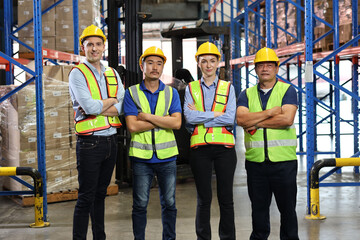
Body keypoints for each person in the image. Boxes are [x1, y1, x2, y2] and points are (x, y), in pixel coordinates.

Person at [236, 47, 299, 240]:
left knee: (287, 210)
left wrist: (255, 121)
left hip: (284, 163)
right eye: (261, 65)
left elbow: (287, 119)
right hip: (256, 164)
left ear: (276, 68)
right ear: (255, 69)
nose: (265, 69)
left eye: (269, 65)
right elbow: (241, 120)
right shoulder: (246, 94)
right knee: (259, 210)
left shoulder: (287, 90)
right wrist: (271, 113)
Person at [69, 24, 125, 240]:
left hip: (111, 141)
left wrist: (103, 105)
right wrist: (111, 102)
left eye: (98, 44)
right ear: (83, 47)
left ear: (104, 46)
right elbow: (90, 108)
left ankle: (99, 237)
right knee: (86, 197)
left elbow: (123, 105)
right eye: (89, 44)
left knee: (100, 196)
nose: (94, 48)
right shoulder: (77, 74)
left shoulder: (112, 72)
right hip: (89, 143)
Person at [123, 46, 182, 240]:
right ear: (142, 66)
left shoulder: (171, 93)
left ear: (163, 67)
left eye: (159, 63)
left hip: (167, 158)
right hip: (141, 158)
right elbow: (132, 126)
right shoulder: (131, 93)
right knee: (140, 204)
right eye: (150, 63)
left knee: (170, 204)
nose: (155, 67)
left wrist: (147, 117)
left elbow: (177, 123)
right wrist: (163, 119)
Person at [183, 42, 237, 240]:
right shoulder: (191, 88)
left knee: (226, 199)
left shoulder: (228, 88)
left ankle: (228, 237)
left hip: (225, 149)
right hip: (200, 150)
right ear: (198, 63)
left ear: (218, 63)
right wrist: (215, 114)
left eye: (212, 61)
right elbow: (189, 117)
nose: (208, 65)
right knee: (203, 199)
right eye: (204, 61)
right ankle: (203, 237)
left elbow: (229, 117)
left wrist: (202, 115)